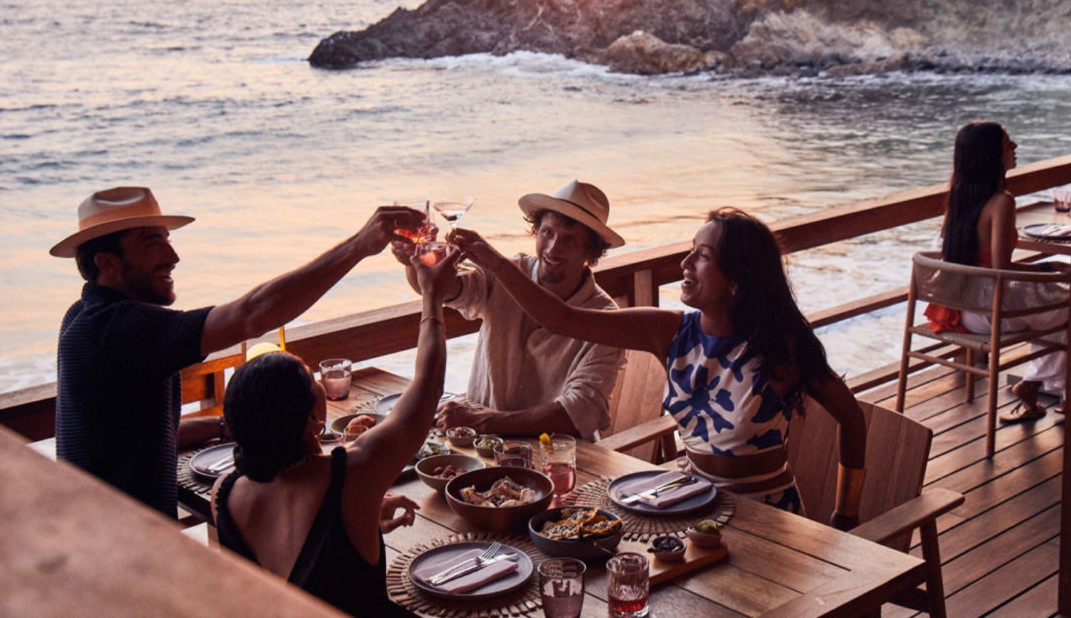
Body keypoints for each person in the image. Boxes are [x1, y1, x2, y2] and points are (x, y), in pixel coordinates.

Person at [451, 207, 868, 527]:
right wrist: (493, 261)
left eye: (701, 256)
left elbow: (852, 420)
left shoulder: (780, 347)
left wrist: (846, 515)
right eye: (690, 251)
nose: (684, 264)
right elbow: (564, 318)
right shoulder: (668, 332)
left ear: (738, 278)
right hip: (693, 501)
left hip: (768, 514)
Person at [49, 185, 423, 517]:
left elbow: (129, 433)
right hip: (123, 544)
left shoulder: (81, 317)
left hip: (87, 526)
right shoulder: (121, 329)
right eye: (153, 243)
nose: (173, 256)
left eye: (167, 239)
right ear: (107, 263)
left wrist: (224, 426)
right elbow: (250, 315)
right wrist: (358, 246)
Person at [211, 249, 457, 618]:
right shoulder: (352, 474)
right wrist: (432, 297)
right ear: (313, 419)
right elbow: (427, 386)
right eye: (310, 375)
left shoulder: (224, 492)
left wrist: (362, 519)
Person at [393, 180, 626, 441]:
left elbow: (579, 412)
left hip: (558, 457)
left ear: (591, 252)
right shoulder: (508, 272)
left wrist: (483, 421)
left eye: (569, 240)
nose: (552, 248)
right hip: (480, 446)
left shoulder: (607, 320)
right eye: (547, 232)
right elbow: (445, 289)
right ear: (536, 231)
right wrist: (414, 260)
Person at [926, 121, 1069, 423]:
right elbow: (1001, 270)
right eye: (1007, 143)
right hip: (989, 309)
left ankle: (1036, 386)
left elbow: (983, 264)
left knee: (1053, 308)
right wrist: (1045, 266)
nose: (1014, 146)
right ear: (990, 155)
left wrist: (1042, 270)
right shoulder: (1002, 202)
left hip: (961, 307)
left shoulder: (958, 197)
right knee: (1070, 305)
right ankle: (1050, 388)